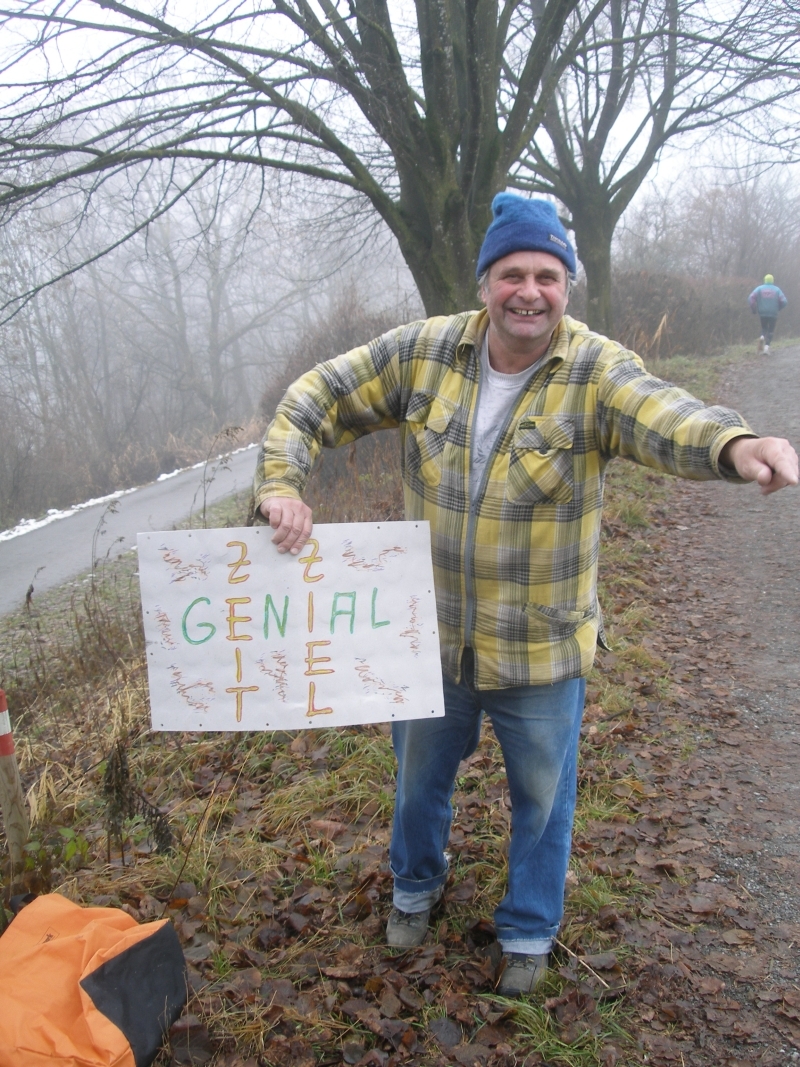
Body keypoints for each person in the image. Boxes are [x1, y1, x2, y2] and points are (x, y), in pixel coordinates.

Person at [254, 194, 798, 996]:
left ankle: (530, 928)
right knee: (414, 785)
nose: (530, 291)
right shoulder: (424, 353)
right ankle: (415, 889)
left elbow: (665, 415)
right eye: (514, 272)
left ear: (567, 287)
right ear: (485, 281)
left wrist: (736, 443)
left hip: (541, 646)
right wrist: (281, 484)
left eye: (548, 275)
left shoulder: (595, 371)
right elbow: (316, 397)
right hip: (426, 641)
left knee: (544, 799)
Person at [748, 273, 787, 354]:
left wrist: (753, 309)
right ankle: (766, 348)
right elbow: (784, 301)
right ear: (772, 281)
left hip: (762, 313)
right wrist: (779, 308)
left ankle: (762, 337)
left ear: (764, 280)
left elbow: (751, 298)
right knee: (771, 330)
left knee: (764, 328)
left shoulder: (759, 289)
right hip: (773, 313)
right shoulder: (777, 290)